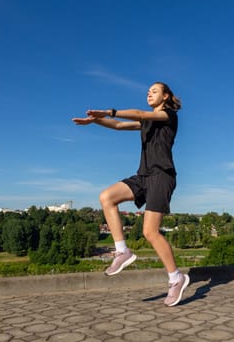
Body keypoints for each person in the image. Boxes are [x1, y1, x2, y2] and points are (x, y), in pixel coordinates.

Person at [72, 82, 189, 307]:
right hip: (143, 175)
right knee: (107, 197)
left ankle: (176, 278)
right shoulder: (145, 122)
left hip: (161, 176)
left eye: (154, 91)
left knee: (150, 232)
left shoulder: (168, 116)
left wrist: (109, 110)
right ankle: (122, 252)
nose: (149, 93)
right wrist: (96, 120)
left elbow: (136, 114)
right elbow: (117, 125)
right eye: (148, 91)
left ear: (165, 96)